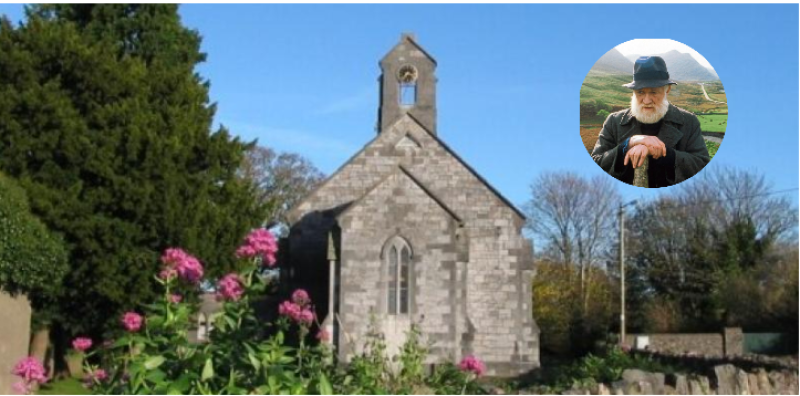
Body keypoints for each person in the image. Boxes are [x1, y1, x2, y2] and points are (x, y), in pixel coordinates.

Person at [591, 56, 710, 187]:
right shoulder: (614, 121)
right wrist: (628, 144)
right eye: (640, 92)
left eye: (653, 92)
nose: (647, 100)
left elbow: (702, 164)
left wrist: (666, 154)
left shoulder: (688, 121)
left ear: (667, 89)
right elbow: (596, 163)